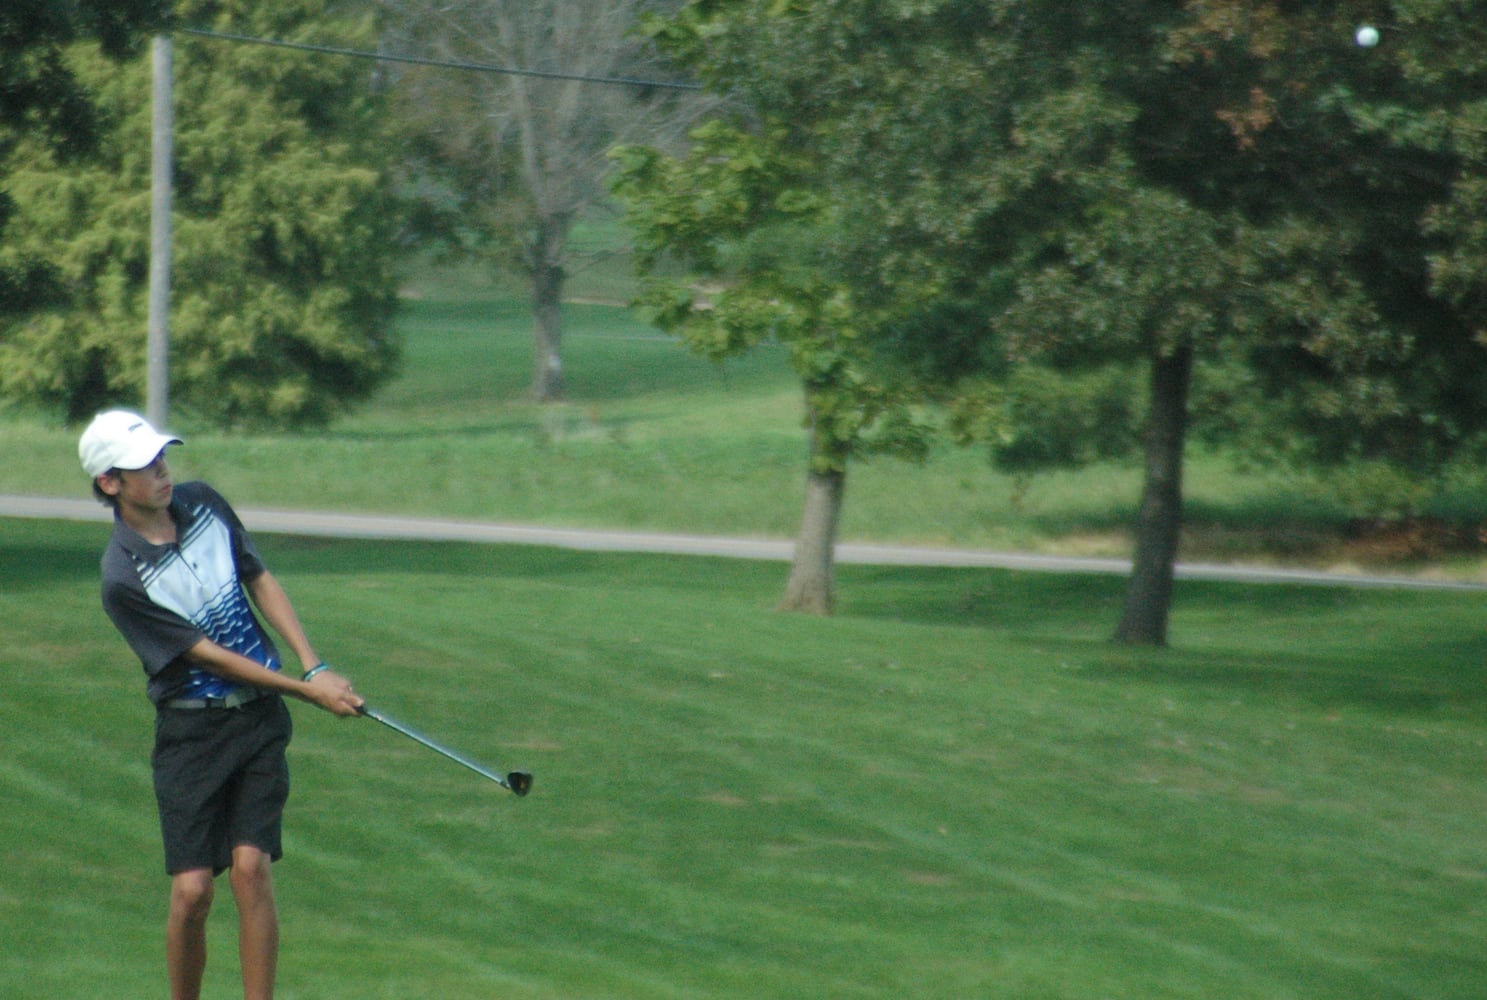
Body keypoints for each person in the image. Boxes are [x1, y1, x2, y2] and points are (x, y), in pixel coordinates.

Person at [80, 409, 364, 1000]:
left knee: (251, 870)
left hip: (258, 722)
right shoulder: (122, 577)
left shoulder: (205, 502)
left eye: (162, 458)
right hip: (191, 737)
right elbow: (205, 655)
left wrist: (315, 664)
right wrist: (309, 692)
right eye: (143, 467)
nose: (162, 472)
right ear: (110, 483)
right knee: (191, 894)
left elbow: (257, 575)